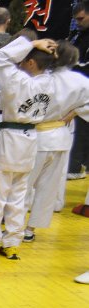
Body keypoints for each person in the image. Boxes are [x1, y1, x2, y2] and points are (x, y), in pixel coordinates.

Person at [0, 36, 57, 261]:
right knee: (18, 197)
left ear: (30, 62)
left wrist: (32, 44)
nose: (20, 64)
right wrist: (46, 53)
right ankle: (11, 244)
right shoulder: (50, 83)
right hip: (30, 140)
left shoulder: (19, 81)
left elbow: (2, 56)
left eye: (24, 60)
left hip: (8, 140)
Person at [24, 42, 89, 241]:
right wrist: (75, 112)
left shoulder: (41, 79)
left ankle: (13, 225)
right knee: (48, 187)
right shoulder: (80, 80)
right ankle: (30, 230)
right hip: (61, 136)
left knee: (23, 184)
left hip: (35, 136)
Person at [67, 1, 89, 179]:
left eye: (81, 19)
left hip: (85, 91)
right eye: (76, 19)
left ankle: (76, 166)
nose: (78, 22)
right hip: (76, 90)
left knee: (82, 128)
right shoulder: (76, 35)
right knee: (78, 127)